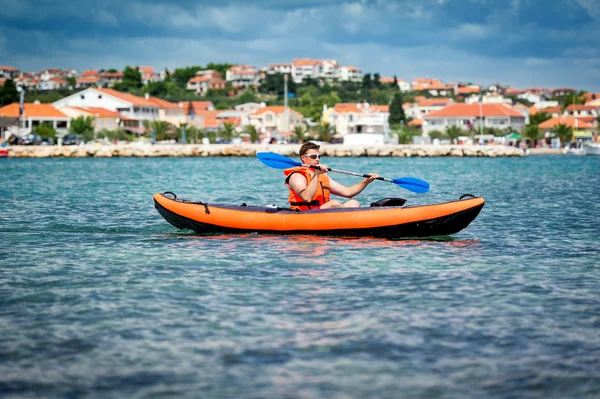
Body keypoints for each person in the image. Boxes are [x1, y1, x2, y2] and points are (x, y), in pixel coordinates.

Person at [284, 142, 379, 210]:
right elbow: (307, 198)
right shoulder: (297, 176)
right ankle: (353, 223)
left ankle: (352, 222)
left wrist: (366, 181)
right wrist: (316, 174)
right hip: (305, 214)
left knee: (354, 203)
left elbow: (348, 192)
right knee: (334, 204)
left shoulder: (323, 177)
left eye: (319, 156)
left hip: (321, 212)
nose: (317, 159)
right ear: (304, 158)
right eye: (313, 156)